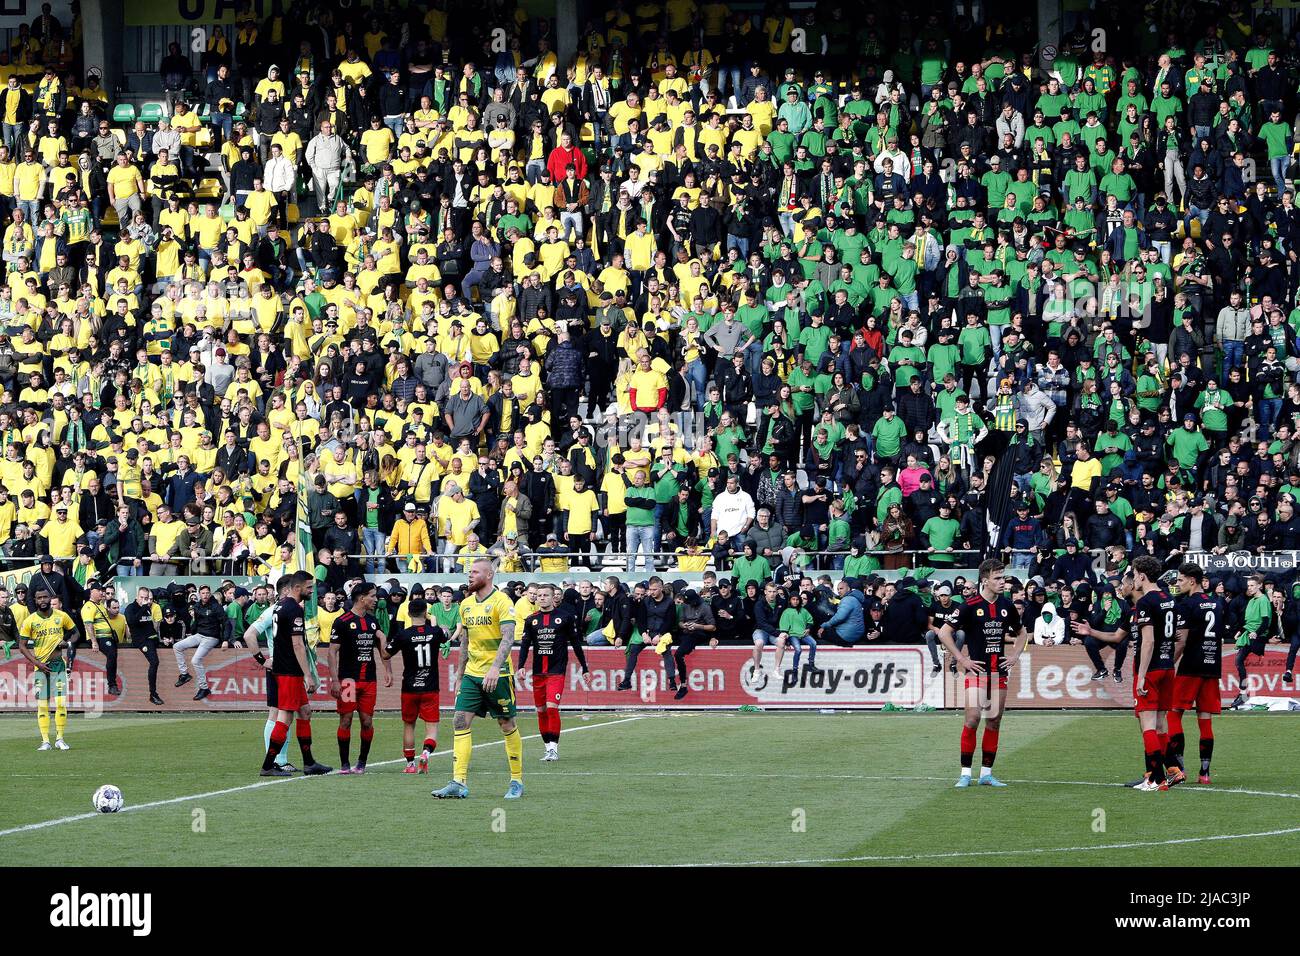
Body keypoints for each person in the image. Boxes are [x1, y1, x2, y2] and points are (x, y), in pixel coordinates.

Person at [432, 558, 524, 800]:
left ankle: (516, 780)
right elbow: (465, 641)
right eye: (468, 572)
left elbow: (508, 637)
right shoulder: (466, 604)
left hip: (499, 675)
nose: (469, 576)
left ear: (489, 575)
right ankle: (458, 782)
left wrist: (495, 667)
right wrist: (460, 675)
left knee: (506, 724)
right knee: (460, 721)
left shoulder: (502, 601)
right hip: (473, 675)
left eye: (474, 572)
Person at [936, 559, 1029, 788]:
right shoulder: (969, 605)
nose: (1003, 582)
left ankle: (986, 773)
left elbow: (1022, 633)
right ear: (985, 580)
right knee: (973, 718)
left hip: (998, 672)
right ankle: (965, 773)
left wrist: (1015, 655)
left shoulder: (1007, 606)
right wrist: (961, 658)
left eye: (1003, 578)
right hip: (977, 672)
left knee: (994, 721)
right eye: (998, 578)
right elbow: (945, 633)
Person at [258, 571, 332, 777]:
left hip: (286, 670)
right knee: (284, 717)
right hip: (289, 671)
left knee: (305, 711)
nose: (311, 591)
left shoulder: (280, 605)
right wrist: (308, 675)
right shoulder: (293, 609)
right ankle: (268, 765)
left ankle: (309, 763)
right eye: (309, 588)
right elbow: (297, 644)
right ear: (298, 588)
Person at [517, 583, 589, 759]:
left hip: (556, 671)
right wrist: (520, 666)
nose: (542, 598)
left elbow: (576, 643)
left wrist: (584, 668)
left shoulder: (565, 617)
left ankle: (553, 749)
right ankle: (547, 747)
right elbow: (525, 645)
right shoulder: (531, 619)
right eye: (539, 595)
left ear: (553, 597)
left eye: (546, 595)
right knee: (540, 711)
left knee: (551, 708)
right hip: (537, 672)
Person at [328, 582, 391, 774]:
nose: (375, 599)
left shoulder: (373, 621)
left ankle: (362, 763)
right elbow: (332, 653)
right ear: (361, 598)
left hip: (369, 680)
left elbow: (382, 649)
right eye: (372, 596)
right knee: (345, 720)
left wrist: (387, 670)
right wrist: (335, 680)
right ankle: (345, 765)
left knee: (367, 721)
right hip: (348, 681)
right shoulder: (342, 621)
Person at [1171, 562, 1224, 785]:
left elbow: (1181, 641)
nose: (1178, 584)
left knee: (1174, 714)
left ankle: (1180, 770)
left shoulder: (1186, 604)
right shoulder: (1217, 603)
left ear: (1192, 581)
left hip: (1191, 666)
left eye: (1181, 580)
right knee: (1205, 719)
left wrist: (1168, 662)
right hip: (1211, 667)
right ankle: (1205, 773)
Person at [382, 595, 447, 774]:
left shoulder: (403, 635)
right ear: (426, 613)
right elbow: (446, 634)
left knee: (409, 725)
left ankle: (410, 764)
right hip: (430, 687)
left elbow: (386, 654)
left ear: (409, 614)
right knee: (432, 726)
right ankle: (426, 752)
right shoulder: (435, 632)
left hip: (410, 687)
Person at [16, 587, 76, 752]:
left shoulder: (61, 616)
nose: (42, 600)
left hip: (58, 665)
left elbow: (76, 633)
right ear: (35, 601)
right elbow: (22, 646)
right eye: (39, 598)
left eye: (45, 597)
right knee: (42, 706)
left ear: (50, 598)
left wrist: (67, 642)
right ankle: (45, 741)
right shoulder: (30, 620)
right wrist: (37, 663)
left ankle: (60, 739)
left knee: (61, 703)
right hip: (41, 667)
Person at [124, 586, 165, 706]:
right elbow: (132, 622)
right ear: (137, 596)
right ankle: (153, 694)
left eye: (146, 598)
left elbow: (149, 625)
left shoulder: (147, 608)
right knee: (154, 662)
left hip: (151, 638)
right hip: (141, 640)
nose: (144, 600)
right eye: (142, 597)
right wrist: (143, 607)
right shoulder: (131, 608)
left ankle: (153, 694)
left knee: (157, 660)